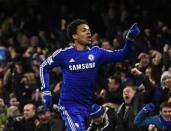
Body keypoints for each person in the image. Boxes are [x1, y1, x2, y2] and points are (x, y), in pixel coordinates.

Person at [40, 19, 140, 131]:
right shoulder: (64, 54)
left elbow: (123, 54)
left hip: (88, 106)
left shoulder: (97, 53)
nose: (89, 33)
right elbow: (44, 66)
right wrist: (46, 90)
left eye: (89, 30)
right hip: (69, 106)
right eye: (84, 30)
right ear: (75, 36)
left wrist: (129, 39)